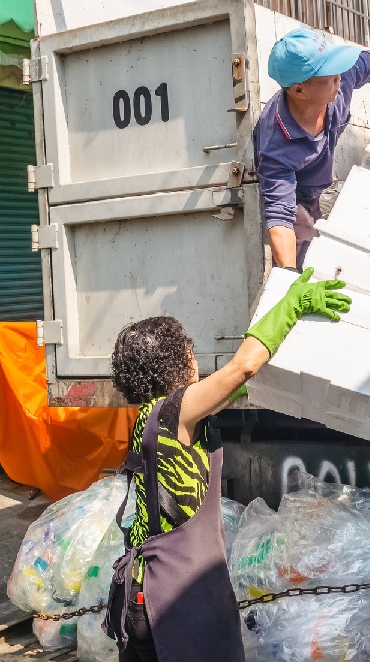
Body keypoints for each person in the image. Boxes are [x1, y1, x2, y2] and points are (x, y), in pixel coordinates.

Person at [103, 268, 351, 662]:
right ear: (176, 361)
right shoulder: (171, 415)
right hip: (172, 603)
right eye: (189, 351)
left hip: (174, 594)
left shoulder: (163, 416)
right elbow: (242, 369)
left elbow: (237, 384)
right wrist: (292, 305)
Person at [256, 28, 370, 269]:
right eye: (329, 76)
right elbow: (280, 219)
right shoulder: (277, 146)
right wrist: (290, 277)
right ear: (299, 91)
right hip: (297, 199)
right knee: (309, 266)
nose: (339, 77)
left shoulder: (340, 80)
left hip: (321, 188)